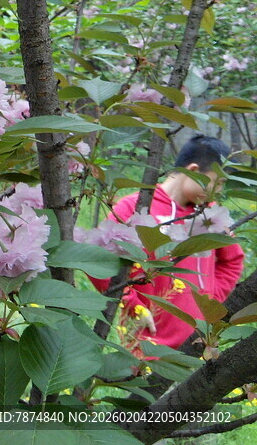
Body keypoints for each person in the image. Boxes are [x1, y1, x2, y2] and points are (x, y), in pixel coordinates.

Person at [89, 134, 245, 354]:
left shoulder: (211, 215)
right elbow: (96, 260)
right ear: (192, 170)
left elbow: (233, 260)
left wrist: (211, 299)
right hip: (148, 342)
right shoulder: (135, 208)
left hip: (199, 343)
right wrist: (131, 305)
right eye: (216, 183)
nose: (218, 192)